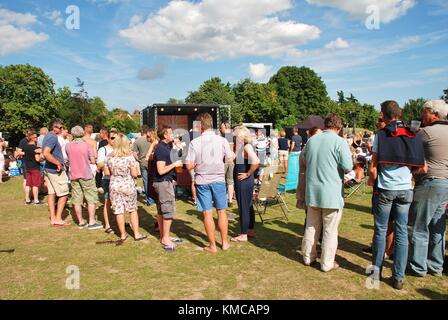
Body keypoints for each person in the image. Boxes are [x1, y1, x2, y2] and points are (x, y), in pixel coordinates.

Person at [368, 100, 425, 290]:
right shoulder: (413, 134)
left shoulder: (381, 135)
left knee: (381, 230)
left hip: (386, 188)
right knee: (401, 232)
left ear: (384, 114)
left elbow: (373, 166)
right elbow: (422, 167)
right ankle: (398, 277)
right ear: (399, 114)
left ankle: (376, 273)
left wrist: (372, 179)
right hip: (405, 189)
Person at [301, 114, 353, 272]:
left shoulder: (311, 141)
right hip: (331, 194)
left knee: (311, 227)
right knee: (330, 230)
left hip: (313, 192)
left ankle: (308, 257)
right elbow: (348, 166)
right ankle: (327, 263)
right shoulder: (339, 142)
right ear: (338, 128)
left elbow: (303, 161)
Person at [408, 100, 448, 277]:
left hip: (429, 182)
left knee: (419, 225)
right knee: (438, 227)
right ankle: (436, 265)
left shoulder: (426, 132)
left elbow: (409, 148)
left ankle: (417, 266)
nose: (422, 115)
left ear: (435, 114)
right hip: (445, 183)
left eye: (425, 112)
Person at [186, 113, 235, 253]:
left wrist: (197, 164)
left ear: (200, 126)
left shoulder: (195, 142)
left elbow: (188, 165)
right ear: (211, 124)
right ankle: (224, 243)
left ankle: (213, 246)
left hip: (202, 180)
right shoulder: (222, 140)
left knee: (207, 213)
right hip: (219, 179)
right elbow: (230, 159)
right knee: (222, 212)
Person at [104, 133, 147, 242]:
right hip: (127, 184)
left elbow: (107, 172)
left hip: (114, 185)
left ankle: (123, 235)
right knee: (132, 209)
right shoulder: (129, 157)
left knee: (119, 211)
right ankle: (136, 234)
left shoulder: (109, 157)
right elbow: (134, 174)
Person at [153, 126, 183, 252]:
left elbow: (178, 155)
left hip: (165, 182)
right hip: (163, 182)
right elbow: (160, 170)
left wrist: (178, 146)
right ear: (165, 135)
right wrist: (174, 165)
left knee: (162, 211)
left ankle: (164, 236)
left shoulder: (167, 147)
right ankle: (165, 238)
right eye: (171, 133)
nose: (173, 135)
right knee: (168, 211)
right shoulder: (161, 148)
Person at [66, 126, 102, 230]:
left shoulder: (68, 146)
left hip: (74, 174)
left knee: (77, 199)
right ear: (82, 133)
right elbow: (92, 160)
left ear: (72, 134)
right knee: (91, 198)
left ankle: (81, 221)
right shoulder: (86, 145)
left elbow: (67, 158)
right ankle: (91, 222)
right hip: (86, 174)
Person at [231, 125, 260, 242]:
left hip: (243, 181)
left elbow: (256, 161)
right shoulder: (243, 147)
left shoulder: (246, 146)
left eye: (236, 136)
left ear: (241, 136)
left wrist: (247, 174)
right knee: (248, 205)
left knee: (244, 207)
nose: (234, 138)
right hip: (245, 181)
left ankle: (243, 234)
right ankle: (249, 230)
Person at [42, 119, 70, 226]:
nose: (62, 129)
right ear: (55, 128)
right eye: (60, 127)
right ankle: (58, 218)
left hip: (49, 169)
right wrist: (58, 163)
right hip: (55, 170)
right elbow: (46, 153)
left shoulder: (47, 136)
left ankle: (53, 218)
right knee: (63, 193)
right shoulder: (53, 137)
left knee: (51, 193)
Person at [97, 130, 117, 234]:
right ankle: (107, 225)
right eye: (112, 138)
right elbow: (99, 164)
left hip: (119, 179)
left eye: (116, 138)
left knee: (120, 202)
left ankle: (121, 222)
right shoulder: (103, 149)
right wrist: (108, 162)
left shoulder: (119, 149)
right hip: (108, 179)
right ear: (108, 139)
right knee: (107, 202)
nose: (114, 140)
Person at [132, 125, 153, 206]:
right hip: (151, 161)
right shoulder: (151, 139)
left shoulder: (137, 141)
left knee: (145, 181)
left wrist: (138, 159)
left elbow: (134, 153)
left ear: (141, 131)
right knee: (153, 180)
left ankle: (149, 200)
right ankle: (154, 198)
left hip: (143, 162)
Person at [22, 130, 43, 205]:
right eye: (36, 137)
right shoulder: (35, 148)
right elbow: (37, 159)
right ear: (33, 138)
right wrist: (43, 159)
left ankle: (27, 200)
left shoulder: (25, 147)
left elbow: (23, 154)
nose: (37, 139)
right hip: (35, 168)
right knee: (35, 185)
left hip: (27, 168)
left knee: (28, 184)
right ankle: (36, 200)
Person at [220, 121, 235, 206]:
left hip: (225, 162)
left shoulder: (224, 137)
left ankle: (222, 200)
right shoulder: (233, 136)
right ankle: (230, 201)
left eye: (222, 127)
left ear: (225, 127)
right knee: (230, 182)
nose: (220, 129)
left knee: (221, 180)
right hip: (231, 161)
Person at [15, 129, 32, 204]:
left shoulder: (33, 140)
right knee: (26, 180)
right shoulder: (23, 141)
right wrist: (28, 152)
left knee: (31, 180)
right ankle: (27, 198)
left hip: (33, 163)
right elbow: (18, 152)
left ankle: (30, 196)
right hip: (25, 162)